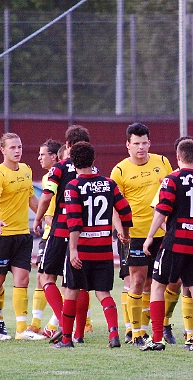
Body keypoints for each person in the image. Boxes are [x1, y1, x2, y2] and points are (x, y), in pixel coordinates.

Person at [51, 142, 132, 349]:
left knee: (71, 291)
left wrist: (73, 250)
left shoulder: (73, 186)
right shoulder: (109, 184)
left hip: (83, 250)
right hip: (104, 249)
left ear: (73, 162)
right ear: (93, 160)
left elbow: (75, 221)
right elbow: (125, 210)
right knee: (103, 293)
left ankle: (67, 339)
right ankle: (113, 335)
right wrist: (125, 233)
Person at [142, 138, 193, 351]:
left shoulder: (172, 179)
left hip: (174, 244)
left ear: (178, 157)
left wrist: (150, 236)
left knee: (157, 286)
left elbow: (162, 210)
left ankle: (156, 339)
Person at [110, 123, 173, 346]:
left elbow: (170, 197)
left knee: (153, 283)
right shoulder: (119, 170)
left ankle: (143, 330)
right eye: (136, 143)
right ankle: (134, 331)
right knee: (135, 280)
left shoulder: (163, 163)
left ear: (149, 142)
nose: (141, 147)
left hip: (160, 234)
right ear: (127, 145)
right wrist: (120, 230)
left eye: (144, 142)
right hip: (133, 234)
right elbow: (114, 206)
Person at [33, 126, 92, 343]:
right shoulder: (92, 171)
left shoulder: (59, 168)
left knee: (46, 277)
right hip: (85, 233)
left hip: (60, 230)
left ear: (67, 145)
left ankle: (62, 322)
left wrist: (38, 218)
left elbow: (47, 196)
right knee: (80, 283)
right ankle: (79, 333)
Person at [0, 133, 40, 340]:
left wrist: (43, 217)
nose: (17, 151)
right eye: (13, 147)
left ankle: (21, 330)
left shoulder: (26, 170)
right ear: (3, 150)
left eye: (20, 147)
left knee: (23, 279)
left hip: (22, 234)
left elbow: (31, 198)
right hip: (0, 235)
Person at [31, 139, 62, 337]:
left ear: (54, 156)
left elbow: (51, 207)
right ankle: (39, 323)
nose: (39, 158)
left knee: (46, 278)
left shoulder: (54, 176)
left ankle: (52, 324)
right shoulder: (46, 177)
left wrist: (42, 219)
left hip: (55, 233)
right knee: (43, 278)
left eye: (43, 154)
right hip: (53, 231)